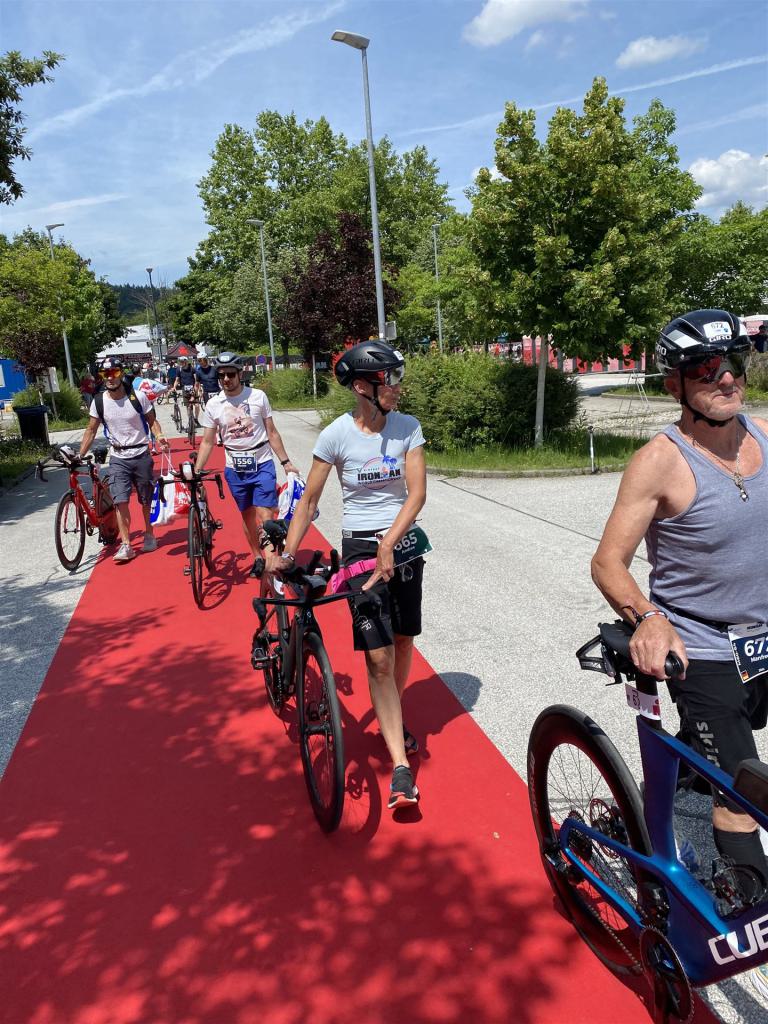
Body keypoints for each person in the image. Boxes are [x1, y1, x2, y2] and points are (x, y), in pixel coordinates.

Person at [591, 310, 768, 995]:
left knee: (725, 757)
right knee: (742, 791)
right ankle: (748, 906)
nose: (725, 379)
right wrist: (648, 617)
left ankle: (684, 773)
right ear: (676, 385)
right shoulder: (660, 461)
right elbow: (609, 562)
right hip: (705, 647)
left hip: (763, 638)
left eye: (734, 364)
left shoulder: (763, 434)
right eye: (705, 370)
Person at [269, 341, 427, 812]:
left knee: (403, 641)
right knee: (378, 657)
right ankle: (401, 769)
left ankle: (391, 715)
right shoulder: (336, 435)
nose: (398, 388)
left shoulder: (407, 428)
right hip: (360, 550)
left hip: (403, 544)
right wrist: (287, 553)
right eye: (390, 380)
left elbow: (416, 494)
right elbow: (310, 502)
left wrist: (390, 542)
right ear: (362, 387)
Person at [194, 352, 298, 577]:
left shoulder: (258, 397)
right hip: (235, 467)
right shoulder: (213, 404)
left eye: (231, 374)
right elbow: (208, 441)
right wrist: (197, 470)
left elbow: (272, 432)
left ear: (240, 374)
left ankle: (271, 560)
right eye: (221, 375)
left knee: (264, 512)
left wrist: (286, 462)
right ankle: (258, 557)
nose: (226, 379)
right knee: (247, 514)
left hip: (262, 462)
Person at [78, 357, 169, 562]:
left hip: (141, 454)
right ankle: (126, 544)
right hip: (118, 457)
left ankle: (149, 534)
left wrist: (160, 437)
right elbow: (91, 430)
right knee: (120, 501)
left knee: (145, 499)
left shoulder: (138, 397)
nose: (110, 378)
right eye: (105, 374)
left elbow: (152, 421)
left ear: (121, 373)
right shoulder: (99, 402)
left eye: (114, 373)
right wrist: (80, 455)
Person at [174, 356, 201, 425]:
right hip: (184, 389)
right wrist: (174, 387)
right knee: (188, 406)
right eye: (180, 362)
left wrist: (198, 389)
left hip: (193, 388)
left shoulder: (192, 369)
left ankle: (196, 419)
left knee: (197, 405)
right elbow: (177, 380)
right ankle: (190, 421)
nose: (181, 363)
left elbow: (196, 380)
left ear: (186, 362)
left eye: (182, 361)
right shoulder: (179, 369)